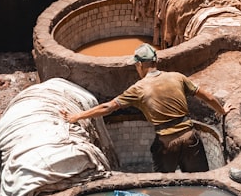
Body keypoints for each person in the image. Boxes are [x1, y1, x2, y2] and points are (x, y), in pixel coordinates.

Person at [62, 43, 228, 173]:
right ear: (156, 61)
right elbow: (209, 97)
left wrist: (76, 117)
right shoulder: (177, 77)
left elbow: (108, 107)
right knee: (201, 183)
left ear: (140, 65)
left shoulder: (138, 88)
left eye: (136, 66)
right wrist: (223, 111)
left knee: (164, 188)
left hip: (166, 144)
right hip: (190, 138)